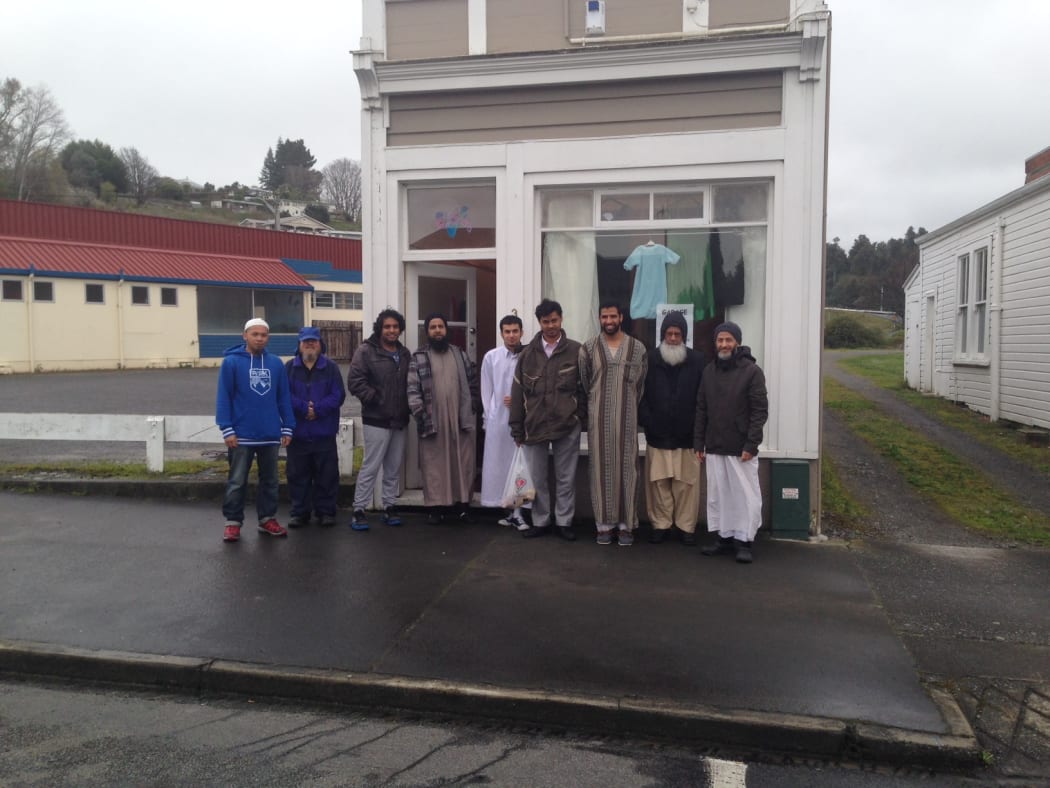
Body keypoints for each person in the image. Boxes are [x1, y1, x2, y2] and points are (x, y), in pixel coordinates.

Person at [509, 299, 586, 542]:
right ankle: (540, 521)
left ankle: (564, 522)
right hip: (535, 426)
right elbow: (517, 393)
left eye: (554, 320)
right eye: (545, 321)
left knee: (566, 478)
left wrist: (579, 417)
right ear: (539, 322)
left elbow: (585, 390)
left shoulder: (576, 351)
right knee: (537, 479)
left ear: (561, 319)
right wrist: (516, 428)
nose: (550, 326)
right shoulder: (527, 355)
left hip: (567, 426)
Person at [694, 321, 768, 564]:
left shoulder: (752, 372)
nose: (724, 344)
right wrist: (698, 443)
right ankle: (723, 537)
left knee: (745, 496)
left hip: (740, 447)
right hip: (715, 444)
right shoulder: (709, 371)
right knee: (719, 495)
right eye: (720, 340)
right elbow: (701, 408)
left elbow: (759, 411)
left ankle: (744, 541)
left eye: (728, 340)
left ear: (737, 342)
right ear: (715, 343)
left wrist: (751, 444)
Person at [216, 317, 295, 543]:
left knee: (270, 480)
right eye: (255, 334)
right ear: (245, 336)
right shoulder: (231, 363)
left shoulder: (276, 364)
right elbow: (224, 396)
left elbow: (283, 397)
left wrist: (288, 427)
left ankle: (267, 519)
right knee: (237, 481)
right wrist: (227, 428)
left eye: (264, 335)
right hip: (241, 435)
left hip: (270, 434)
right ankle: (232, 522)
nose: (259, 338)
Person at [580, 301, 647, 546]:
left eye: (612, 316)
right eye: (604, 317)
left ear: (621, 317)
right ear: (600, 319)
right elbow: (585, 383)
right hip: (598, 422)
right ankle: (603, 526)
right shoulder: (588, 348)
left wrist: (625, 404)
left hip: (627, 421)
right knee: (600, 469)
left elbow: (640, 385)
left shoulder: (637, 349)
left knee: (628, 470)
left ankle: (626, 526)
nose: (608, 321)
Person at [638, 312, 705, 546]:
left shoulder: (698, 361)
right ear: (662, 335)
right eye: (669, 334)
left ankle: (686, 528)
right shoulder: (650, 359)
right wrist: (648, 421)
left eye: (677, 334)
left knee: (686, 486)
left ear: (684, 336)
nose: (673, 338)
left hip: (687, 437)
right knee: (658, 485)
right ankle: (661, 525)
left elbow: (703, 398)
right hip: (657, 435)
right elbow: (640, 395)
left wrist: (697, 427)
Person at [407, 313, 481, 524]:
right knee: (434, 464)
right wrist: (420, 413)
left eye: (441, 326)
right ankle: (435, 508)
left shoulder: (460, 354)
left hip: (460, 417)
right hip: (432, 418)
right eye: (433, 327)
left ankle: (463, 506)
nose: (437, 330)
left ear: (446, 330)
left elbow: (473, 383)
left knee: (463, 462)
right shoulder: (419, 357)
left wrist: (472, 406)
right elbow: (412, 389)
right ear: (427, 332)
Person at [347, 309, 411, 530]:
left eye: (395, 326)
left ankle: (389, 506)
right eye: (387, 327)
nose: (392, 330)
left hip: (400, 419)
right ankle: (359, 509)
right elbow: (355, 381)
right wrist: (376, 399)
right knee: (371, 466)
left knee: (393, 467)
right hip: (376, 419)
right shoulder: (366, 351)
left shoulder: (404, 354)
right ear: (380, 328)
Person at [284, 326, 346, 528]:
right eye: (306, 341)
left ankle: (326, 512)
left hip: (324, 432)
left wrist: (317, 410)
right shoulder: (289, 368)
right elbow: (283, 395)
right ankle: (299, 513)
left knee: (327, 475)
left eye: (313, 341)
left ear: (320, 344)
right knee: (297, 476)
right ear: (299, 345)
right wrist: (304, 408)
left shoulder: (331, 368)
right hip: (298, 433)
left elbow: (338, 395)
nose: (310, 344)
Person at [480, 314, 528, 530]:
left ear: (521, 332)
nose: (511, 335)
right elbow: (486, 390)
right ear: (501, 333)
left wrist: (520, 399)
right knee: (500, 465)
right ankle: (508, 511)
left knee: (520, 467)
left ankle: (519, 512)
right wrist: (489, 417)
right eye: (507, 331)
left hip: (522, 421)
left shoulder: (528, 356)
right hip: (498, 420)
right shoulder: (491, 357)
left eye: (515, 331)